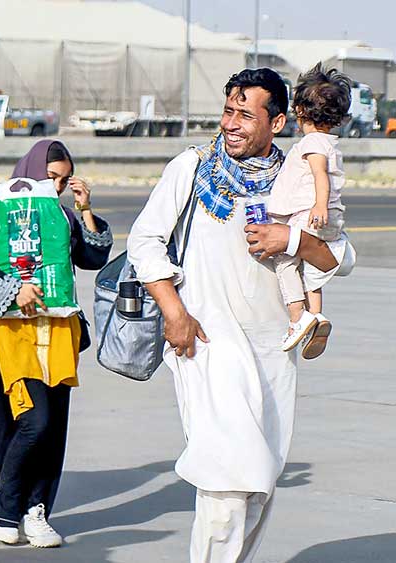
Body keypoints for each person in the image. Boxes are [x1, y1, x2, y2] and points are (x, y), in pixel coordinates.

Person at [126, 68, 355, 563]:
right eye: (228, 110)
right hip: (206, 344)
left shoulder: (297, 178)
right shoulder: (191, 168)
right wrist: (174, 312)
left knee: (260, 485)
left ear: (277, 123)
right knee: (229, 478)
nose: (231, 122)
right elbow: (144, 242)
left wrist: (290, 239)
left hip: (274, 352)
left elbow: (339, 257)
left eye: (245, 114)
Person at [0, 139, 113, 548]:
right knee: (33, 422)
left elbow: (93, 257)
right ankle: (3, 502)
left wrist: (85, 210)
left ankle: (36, 509)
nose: (57, 187)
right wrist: (11, 290)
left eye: (65, 179)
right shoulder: (0, 214)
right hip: (15, 332)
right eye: (52, 177)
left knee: (53, 426)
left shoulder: (64, 219)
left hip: (60, 331)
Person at [268, 64, 351, 357]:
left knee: (285, 260)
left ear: (301, 110)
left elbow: (319, 176)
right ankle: (317, 317)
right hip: (328, 218)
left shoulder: (312, 143)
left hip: (310, 213)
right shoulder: (330, 142)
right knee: (310, 270)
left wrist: (318, 204)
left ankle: (297, 318)